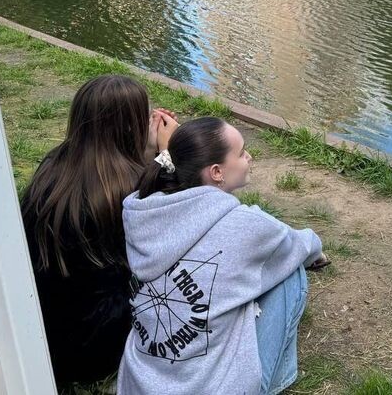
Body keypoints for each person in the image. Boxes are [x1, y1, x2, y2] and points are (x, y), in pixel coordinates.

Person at [117, 117, 327, 395]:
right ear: (217, 172)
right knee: (292, 272)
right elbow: (303, 244)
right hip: (211, 389)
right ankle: (275, 382)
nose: (249, 157)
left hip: (140, 384)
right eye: (241, 153)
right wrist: (316, 251)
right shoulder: (244, 224)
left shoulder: (145, 212)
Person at [20, 75, 178, 386]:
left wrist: (150, 158)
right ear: (131, 128)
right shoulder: (133, 190)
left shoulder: (54, 166)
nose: (154, 120)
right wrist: (169, 155)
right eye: (147, 116)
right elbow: (183, 220)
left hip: (43, 335)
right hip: (95, 346)